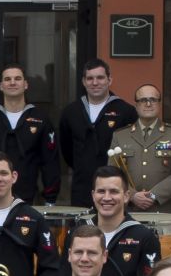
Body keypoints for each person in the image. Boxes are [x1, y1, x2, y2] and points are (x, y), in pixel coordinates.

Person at [0, 63, 58, 202]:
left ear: (25, 84)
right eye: (7, 79)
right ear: (1, 86)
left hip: (29, 198)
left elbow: (50, 162)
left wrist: (50, 199)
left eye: (17, 78)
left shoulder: (40, 119)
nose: (12, 82)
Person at [56, 60, 137, 206]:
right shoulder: (71, 112)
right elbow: (66, 149)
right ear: (83, 81)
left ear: (109, 80)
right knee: (84, 229)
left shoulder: (126, 111)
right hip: (82, 187)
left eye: (100, 78)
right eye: (90, 78)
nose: (95, 82)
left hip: (114, 188)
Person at [108, 83, 171, 213]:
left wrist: (153, 195)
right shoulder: (120, 135)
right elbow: (113, 173)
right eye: (143, 100)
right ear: (136, 105)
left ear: (159, 104)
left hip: (165, 209)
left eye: (153, 100)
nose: (148, 104)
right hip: (130, 209)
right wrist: (132, 195)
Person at [86, 165, 160, 276]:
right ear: (93, 195)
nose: (107, 198)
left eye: (114, 191)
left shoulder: (144, 237)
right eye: (101, 191)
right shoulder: (78, 233)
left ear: (126, 196)